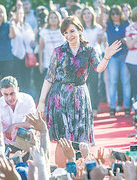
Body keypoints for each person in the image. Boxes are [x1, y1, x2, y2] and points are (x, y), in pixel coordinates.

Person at [37, 16, 121, 145]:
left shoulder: (89, 50)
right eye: (65, 32)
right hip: (60, 97)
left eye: (71, 31)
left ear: (79, 30)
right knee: (63, 140)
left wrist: (106, 57)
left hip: (79, 96)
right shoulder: (59, 51)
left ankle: (80, 164)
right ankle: (65, 165)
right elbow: (49, 77)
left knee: (80, 137)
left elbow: (98, 68)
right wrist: (42, 101)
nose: (69, 35)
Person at [0, 76, 36, 152]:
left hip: (21, 139)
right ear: (1, 92)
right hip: (4, 141)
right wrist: (1, 148)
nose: (9, 98)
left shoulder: (27, 99)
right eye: (6, 95)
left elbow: (33, 123)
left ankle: (31, 158)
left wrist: (15, 126)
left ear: (18, 89)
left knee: (32, 133)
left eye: (12, 93)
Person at [106, 5, 131, 117]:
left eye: (117, 13)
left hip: (124, 55)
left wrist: (126, 39)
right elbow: (99, 20)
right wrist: (102, 7)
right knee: (113, 82)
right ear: (110, 15)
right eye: (113, 13)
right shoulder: (108, 25)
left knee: (125, 82)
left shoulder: (126, 24)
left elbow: (131, 35)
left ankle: (126, 107)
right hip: (112, 57)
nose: (115, 16)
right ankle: (112, 107)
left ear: (120, 14)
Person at [36, 11, 65, 101]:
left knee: (61, 86)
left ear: (59, 19)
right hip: (48, 63)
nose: (53, 19)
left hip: (61, 63)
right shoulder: (44, 32)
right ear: (48, 19)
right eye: (51, 17)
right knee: (48, 86)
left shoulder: (63, 31)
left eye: (55, 17)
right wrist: (40, 63)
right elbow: (41, 48)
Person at [81, 6, 103, 115]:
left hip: (95, 57)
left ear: (92, 15)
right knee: (83, 83)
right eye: (84, 13)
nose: (86, 15)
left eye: (88, 13)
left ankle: (94, 106)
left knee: (94, 83)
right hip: (82, 58)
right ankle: (84, 106)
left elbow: (100, 42)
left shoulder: (98, 28)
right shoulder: (79, 28)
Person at [10, 3, 35, 94]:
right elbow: (12, 36)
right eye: (18, 13)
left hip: (27, 56)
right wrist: (12, 23)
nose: (20, 15)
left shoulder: (26, 25)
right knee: (17, 80)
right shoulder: (11, 25)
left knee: (27, 80)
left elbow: (32, 40)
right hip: (15, 56)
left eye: (21, 13)